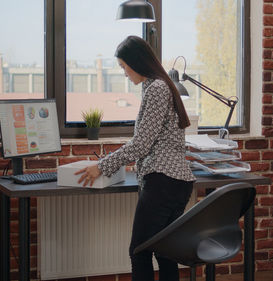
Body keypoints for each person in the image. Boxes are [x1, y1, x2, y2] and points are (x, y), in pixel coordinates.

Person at [75, 35, 195, 281]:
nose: (124, 73)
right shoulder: (157, 86)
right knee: (165, 253)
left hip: (163, 182)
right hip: (175, 182)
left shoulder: (157, 88)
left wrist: (102, 166)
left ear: (136, 62)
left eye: (123, 67)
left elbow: (141, 144)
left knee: (139, 252)